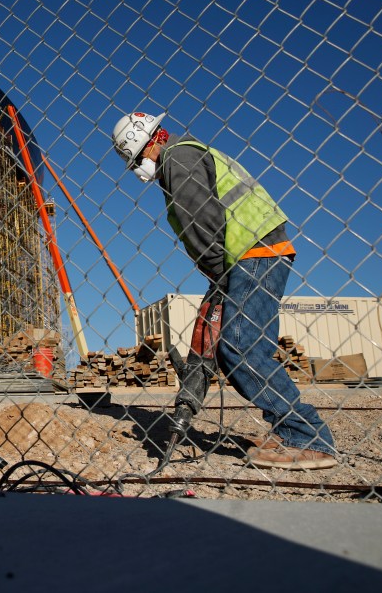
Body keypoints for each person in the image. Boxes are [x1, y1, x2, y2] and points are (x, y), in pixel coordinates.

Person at [111, 110, 337, 470]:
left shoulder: (177, 159)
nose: (139, 167)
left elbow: (201, 222)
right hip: (253, 253)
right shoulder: (189, 154)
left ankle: (307, 437)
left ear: (149, 144)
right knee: (241, 348)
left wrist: (219, 276)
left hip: (251, 254)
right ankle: (289, 431)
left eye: (137, 158)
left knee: (239, 347)